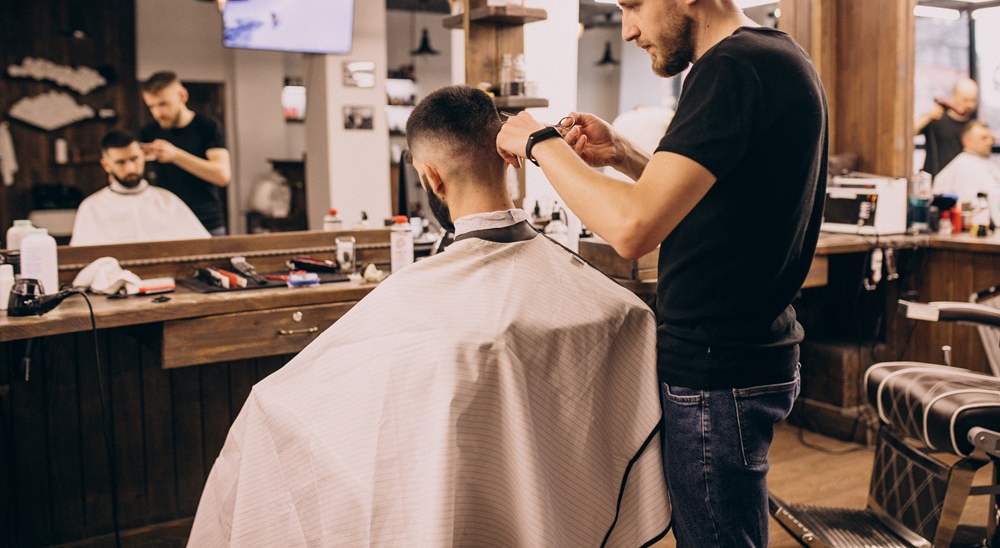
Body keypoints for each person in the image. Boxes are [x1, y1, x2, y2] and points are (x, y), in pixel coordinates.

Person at [188, 85, 670, 547]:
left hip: (459, 509)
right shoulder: (615, 305)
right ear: (510, 157)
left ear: (430, 177)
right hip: (577, 514)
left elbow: (304, 417)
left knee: (265, 408)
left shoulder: (412, 298)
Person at [497, 0, 828, 548]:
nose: (626, 31)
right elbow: (717, 196)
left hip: (717, 371)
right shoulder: (774, 56)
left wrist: (541, 144)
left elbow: (632, 229)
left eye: (633, 6)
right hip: (748, 356)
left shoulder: (730, 70)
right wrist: (621, 154)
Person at [70, 130, 210, 246]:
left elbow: (202, 246)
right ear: (106, 165)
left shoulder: (167, 201)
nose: (130, 168)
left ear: (143, 156)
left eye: (134, 159)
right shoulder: (92, 207)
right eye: (121, 162)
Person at [139, 72, 231, 235]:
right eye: (152, 106)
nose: (157, 113)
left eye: (163, 104)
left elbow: (222, 175)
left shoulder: (207, 127)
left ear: (182, 96)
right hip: (166, 222)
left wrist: (175, 155)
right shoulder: (149, 132)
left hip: (206, 222)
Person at [916, 77, 980, 177]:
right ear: (954, 96)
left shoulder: (974, 126)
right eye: (966, 100)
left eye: (973, 101)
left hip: (960, 182)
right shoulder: (937, 118)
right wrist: (929, 117)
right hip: (935, 181)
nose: (970, 105)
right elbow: (910, 132)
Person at [933, 120, 1000, 213]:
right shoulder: (962, 165)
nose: (989, 142)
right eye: (983, 138)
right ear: (967, 141)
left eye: (991, 138)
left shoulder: (990, 164)